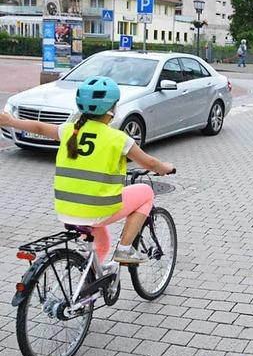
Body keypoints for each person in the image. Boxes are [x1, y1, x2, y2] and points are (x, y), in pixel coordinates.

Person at [0, 76, 174, 264]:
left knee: (102, 245)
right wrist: (165, 167)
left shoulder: (68, 130)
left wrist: (10, 121)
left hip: (66, 209)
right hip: (98, 210)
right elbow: (150, 164)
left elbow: (39, 127)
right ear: (112, 109)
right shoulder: (117, 138)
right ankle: (125, 250)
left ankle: (87, 286)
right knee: (146, 192)